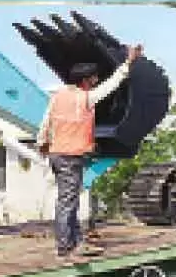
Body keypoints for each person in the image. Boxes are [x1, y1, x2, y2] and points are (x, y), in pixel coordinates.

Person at [37, 45, 142, 258]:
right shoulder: (84, 98)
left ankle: (74, 241)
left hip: (57, 154)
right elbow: (112, 85)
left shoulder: (58, 96)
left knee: (69, 199)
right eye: (93, 78)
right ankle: (66, 246)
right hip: (70, 156)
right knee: (68, 201)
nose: (96, 81)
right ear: (85, 80)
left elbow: (45, 123)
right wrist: (129, 63)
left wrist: (42, 145)